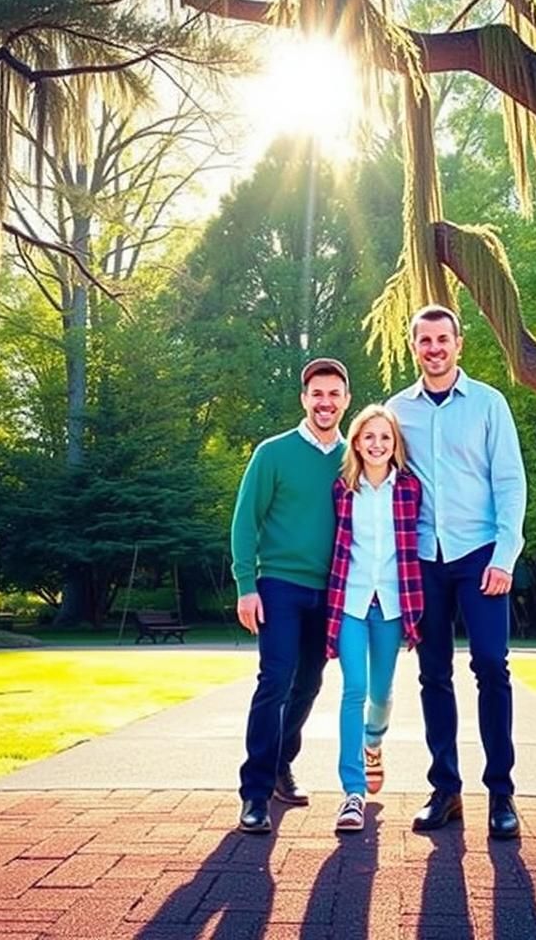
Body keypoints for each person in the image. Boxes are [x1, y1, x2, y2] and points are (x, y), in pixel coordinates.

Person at [387, 304, 527, 836]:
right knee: (432, 673)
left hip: (480, 555)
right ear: (414, 347)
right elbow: (382, 483)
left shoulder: (489, 404)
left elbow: (509, 482)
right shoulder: (397, 411)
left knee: (491, 665)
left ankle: (502, 793)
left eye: (442, 339)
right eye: (425, 340)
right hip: (424, 558)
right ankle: (445, 790)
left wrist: (504, 556)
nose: (434, 349)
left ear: (458, 344)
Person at [232, 357, 352, 834]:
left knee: (309, 683)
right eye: (317, 394)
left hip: (331, 591)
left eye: (334, 394)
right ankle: (255, 793)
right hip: (279, 585)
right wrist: (246, 586)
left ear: (346, 400)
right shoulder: (273, 453)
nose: (325, 402)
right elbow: (245, 521)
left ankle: (282, 763)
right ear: (304, 399)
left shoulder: (353, 458)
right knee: (275, 680)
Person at [323, 404, 424, 832]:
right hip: (350, 602)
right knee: (355, 689)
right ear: (357, 443)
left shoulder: (411, 489)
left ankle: (373, 742)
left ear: (395, 443)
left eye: (385, 437)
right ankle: (352, 792)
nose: (377, 444)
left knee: (381, 694)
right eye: (369, 437)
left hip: (393, 604)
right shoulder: (343, 489)